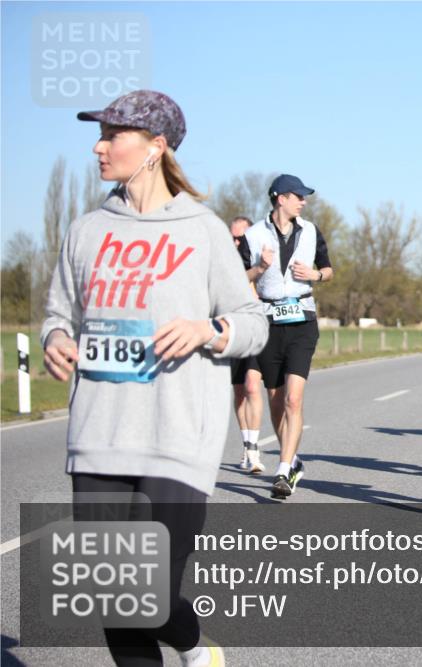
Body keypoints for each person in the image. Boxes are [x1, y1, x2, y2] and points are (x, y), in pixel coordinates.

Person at [42, 89, 267, 667]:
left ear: (155, 147)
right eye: (99, 136)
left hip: (177, 436)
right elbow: (58, 314)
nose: (98, 148)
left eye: (112, 135)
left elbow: (252, 322)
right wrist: (56, 340)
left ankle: (192, 644)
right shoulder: (87, 230)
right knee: (114, 595)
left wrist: (207, 330)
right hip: (99, 434)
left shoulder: (202, 230)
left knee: (149, 594)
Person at [240, 174, 333, 499]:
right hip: (268, 322)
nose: (303, 202)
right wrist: (259, 268)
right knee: (276, 399)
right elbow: (237, 278)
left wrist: (315, 274)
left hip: (302, 320)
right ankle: (292, 461)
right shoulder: (253, 235)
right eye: (298, 196)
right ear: (281, 198)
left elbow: (329, 269)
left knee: (294, 398)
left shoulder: (311, 231)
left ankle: (282, 470)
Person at [229, 215, 266, 473]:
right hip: (233, 329)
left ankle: (254, 448)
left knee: (253, 385)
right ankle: (246, 444)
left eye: (240, 238)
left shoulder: (262, 262)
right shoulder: (223, 263)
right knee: (240, 390)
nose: (236, 242)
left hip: (255, 327)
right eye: (232, 238)